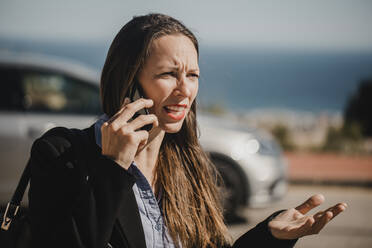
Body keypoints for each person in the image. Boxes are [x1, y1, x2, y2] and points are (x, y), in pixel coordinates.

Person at [28, 13, 347, 248]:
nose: (185, 90)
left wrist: (269, 235)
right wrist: (112, 167)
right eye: (169, 74)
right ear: (128, 81)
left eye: (192, 75)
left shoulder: (190, 165)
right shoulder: (61, 154)